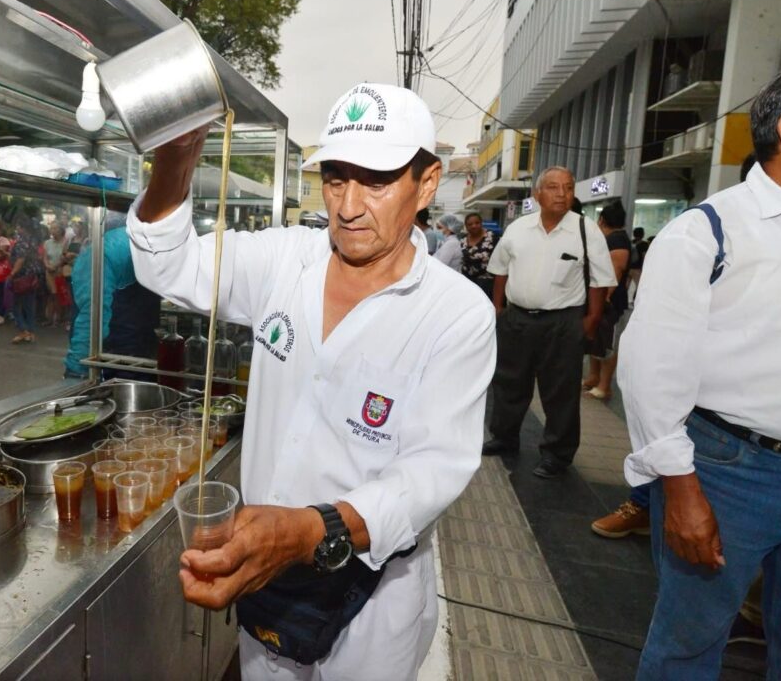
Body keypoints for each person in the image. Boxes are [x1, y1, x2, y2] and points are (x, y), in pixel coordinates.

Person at [127, 82, 495, 679]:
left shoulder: (457, 312)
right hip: (267, 572)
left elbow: (434, 469)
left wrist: (310, 530)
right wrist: (175, 158)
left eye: (375, 182)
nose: (348, 206)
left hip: (375, 596)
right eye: (335, 179)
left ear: (426, 185)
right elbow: (169, 266)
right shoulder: (285, 260)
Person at [618, 59, 781, 679]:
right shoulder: (707, 232)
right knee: (690, 646)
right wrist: (679, 490)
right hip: (731, 473)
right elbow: (651, 373)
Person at [482, 166, 617, 478]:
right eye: (554, 187)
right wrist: (499, 308)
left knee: (560, 391)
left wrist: (592, 319)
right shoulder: (518, 229)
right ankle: (504, 438)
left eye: (568, 188)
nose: (562, 194)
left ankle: (557, 454)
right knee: (509, 383)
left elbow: (600, 280)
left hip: (563, 322)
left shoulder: (585, 230)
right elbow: (500, 268)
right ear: (537, 194)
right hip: (516, 320)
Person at [62, 212, 142, 379]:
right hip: (124, 346)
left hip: (122, 344)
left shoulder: (109, 248)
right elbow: (93, 316)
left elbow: (93, 316)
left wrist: (78, 369)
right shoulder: (107, 254)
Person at [581, 201, 631, 401]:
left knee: (608, 343)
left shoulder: (617, 241)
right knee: (597, 339)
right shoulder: (610, 239)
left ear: (601, 220)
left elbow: (616, 272)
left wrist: (605, 298)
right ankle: (593, 378)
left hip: (610, 302)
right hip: (601, 299)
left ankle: (604, 386)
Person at [8, 217, 41, 344]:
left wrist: (12, 274)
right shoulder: (33, 241)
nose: (17, 229)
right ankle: (31, 333)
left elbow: (20, 260)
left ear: (23, 228)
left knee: (16, 306)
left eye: (18, 227)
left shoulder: (21, 242)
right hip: (32, 276)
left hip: (22, 277)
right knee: (29, 306)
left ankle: (23, 331)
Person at [460, 212, 497, 298]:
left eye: (477, 223)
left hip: (487, 283)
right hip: (468, 281)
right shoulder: (463, 240)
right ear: (466, 226)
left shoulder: (492, 237)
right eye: (470, 224)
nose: (474, 226)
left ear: (481, 223)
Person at [42, 221, 70, 327]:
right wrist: (48, 266)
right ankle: (51, 317)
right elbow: (45, 257)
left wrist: (57, 266)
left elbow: (65, 257)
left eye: (55, 228)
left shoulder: (66, 242)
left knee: (61, 294)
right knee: (52, 294)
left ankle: (61, 317)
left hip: (60, 271)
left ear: (61, 230)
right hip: (49, 271)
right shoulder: (47, 243)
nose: (53, 230)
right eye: (51, 228)